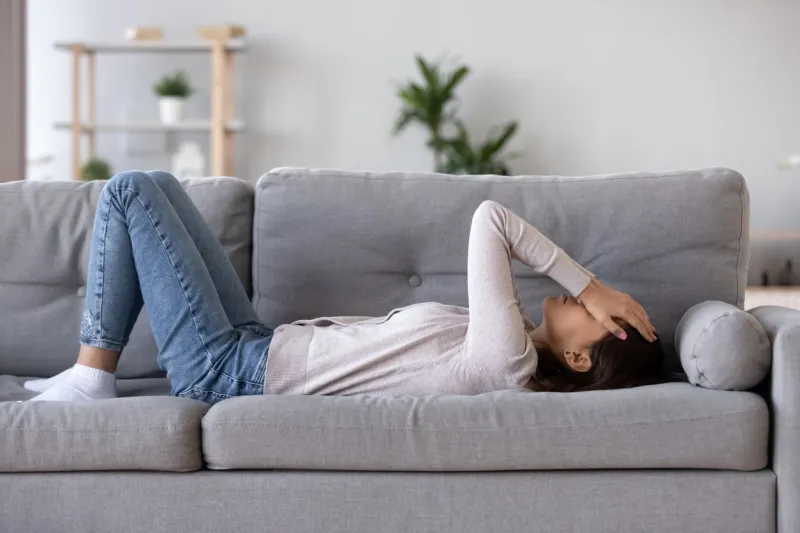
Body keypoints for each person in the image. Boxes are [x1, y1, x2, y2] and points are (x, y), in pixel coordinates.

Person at [24, 171, 663, 404]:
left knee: (130, 190)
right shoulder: (506, 341)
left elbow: (490, 219)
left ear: (579, 357)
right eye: (600, 302)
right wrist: (595, 296)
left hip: (227, 371)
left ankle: (91, 376)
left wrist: (593, 282)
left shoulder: (507, 361)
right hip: (254, 344)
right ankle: (90, 377)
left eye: (603, 317)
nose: (589, 303)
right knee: (160, 184)